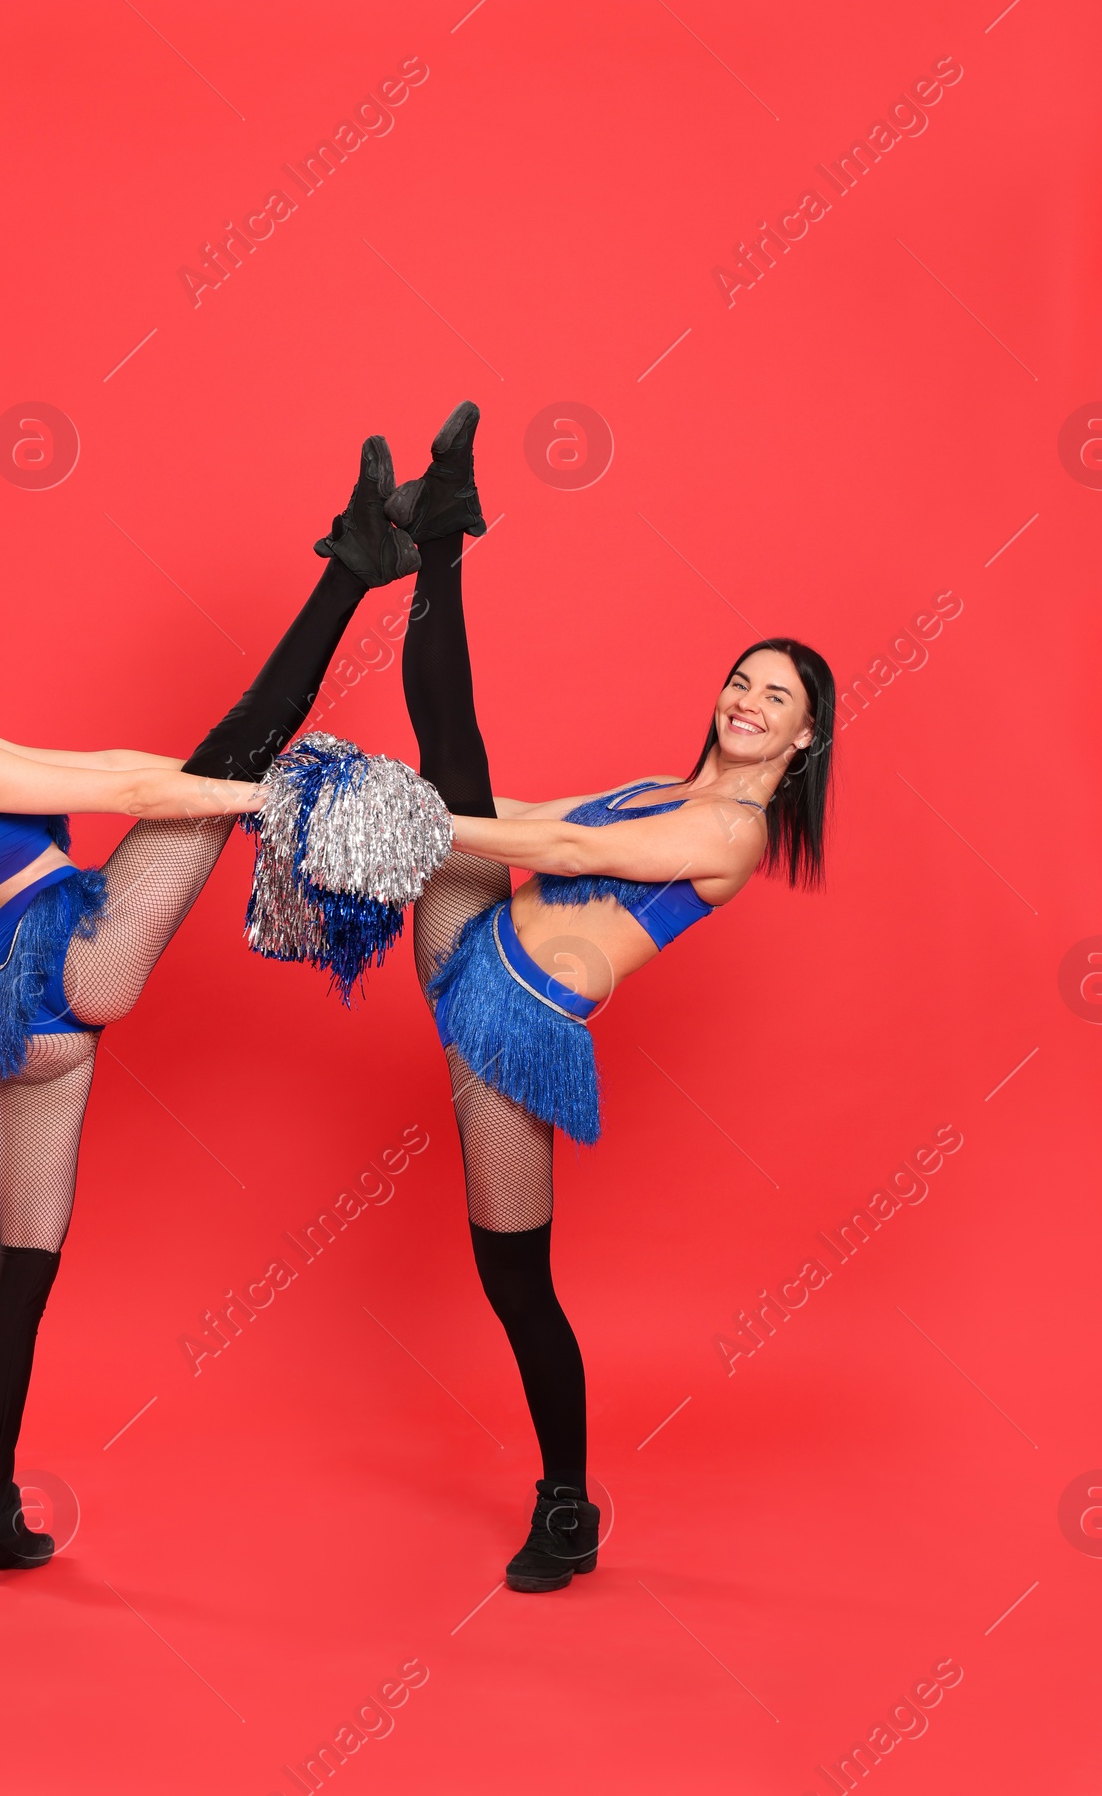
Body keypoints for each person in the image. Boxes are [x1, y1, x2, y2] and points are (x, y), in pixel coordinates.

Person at [0, 440, 422, 1585]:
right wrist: (265, 798)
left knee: (24, 1262)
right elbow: (137, 793)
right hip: (72, 962)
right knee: (238, 745)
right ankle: (351, 567)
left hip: (20, 1021)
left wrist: (220, 789)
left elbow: (117, 763)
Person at [384, 402, 835, 1592]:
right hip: (469, 941)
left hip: (513, 1022)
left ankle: (567, 1502)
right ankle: (442, 533)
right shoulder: (659, 781)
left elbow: (582, 864)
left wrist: (421, 830)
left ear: (802, 737)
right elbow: (539, 828)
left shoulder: (729, 831)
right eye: (741, 680)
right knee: (453, 748)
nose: (745, 700)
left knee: (511, 1277)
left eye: (773, 697)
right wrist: (443, 822)